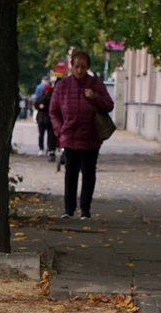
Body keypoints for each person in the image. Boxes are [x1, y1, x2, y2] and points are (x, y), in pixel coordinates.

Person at [49, 51, 114, 219]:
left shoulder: (96, 84)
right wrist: (60, 130)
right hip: (69, 137)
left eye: (83, 67)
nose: (79, 70)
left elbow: (108, 105)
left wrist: (95, 97)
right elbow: (54, 111)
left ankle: (85, 209)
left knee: (88, 173)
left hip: (91, 137)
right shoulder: (62, 86)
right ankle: (68, 210)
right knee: (70, 173)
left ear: (88, 67)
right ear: (71, 66)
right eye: (76, 66)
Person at [34, 78, 56, 156]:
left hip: (48, 118)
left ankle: (50, 149)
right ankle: (42, 148)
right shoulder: (42, 98)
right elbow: (36, 105)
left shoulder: (50, 98)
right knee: (42, 135)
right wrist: (40, 106)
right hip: (43, 118)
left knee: (50, 135)